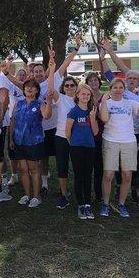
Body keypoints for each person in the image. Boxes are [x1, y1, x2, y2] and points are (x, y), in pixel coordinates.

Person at [2, 38, 82, 194]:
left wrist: (76, 48)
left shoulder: (55, 78)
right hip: (39, 128)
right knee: (43, 156)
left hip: (55, 126)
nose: (38, 73)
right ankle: (44, 182)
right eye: (35, 71)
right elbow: (16, 82)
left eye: (40, 71)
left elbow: (66, 62)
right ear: (32, 73)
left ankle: (60, 184)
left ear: (45, 71)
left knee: (60, 157)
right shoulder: (31, 87)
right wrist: (5, 72)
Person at [99, 79, 139, 217]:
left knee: (127, 175)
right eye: (115, 87)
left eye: (121, 87)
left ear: (124, 89)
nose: (118, 89)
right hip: (110, 140)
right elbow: (104, 118)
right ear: (110, 89)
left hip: (129, 141)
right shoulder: (107, 103)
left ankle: (121, 204)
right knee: (108, 175)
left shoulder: (130, 103)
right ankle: (105, 203)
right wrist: (103, 101)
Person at [9, 78, 53, 208]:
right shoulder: (18, 103)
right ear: (23, 89)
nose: (29, 88)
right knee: (23, 169)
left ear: (37, 91)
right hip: (18, 141)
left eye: (33, 87)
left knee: (34, 169)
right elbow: (13, 121)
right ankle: (27, 195)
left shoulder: (40, 104)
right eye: (27, 86)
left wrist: (49, 102)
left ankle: (36, 196)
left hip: (34, 142)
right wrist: (11, 138)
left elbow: (47, 116)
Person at [66, 84, 99, 219]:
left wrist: (92, 118)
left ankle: (87, 204)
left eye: (88, 94)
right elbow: (67, 132)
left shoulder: (92, 111)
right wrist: (73, 144)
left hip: (90, 147)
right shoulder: (73, 111)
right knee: (79, 176)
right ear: (78, 95)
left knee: (87, 175)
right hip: (76, 147)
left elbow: (96, 132)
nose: (85, 96)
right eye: (83, 94)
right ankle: (80, 204)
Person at [48, 60, 78, 209]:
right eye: (67, 85)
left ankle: (80, 193)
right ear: (63, 88)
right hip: (61, 137)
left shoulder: (82, 100)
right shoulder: (60, 99)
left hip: (78, 139)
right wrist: (52, 70)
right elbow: (51, 88)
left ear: (76, 87)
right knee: (62, 167)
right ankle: (64, 195)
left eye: (72, 85)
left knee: (78, 167)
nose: (70, 87)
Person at [84, 71, 105, 203]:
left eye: (95, 80)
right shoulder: (84, 98)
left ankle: (99, 194)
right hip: (87, 135)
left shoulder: (105, 98)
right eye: (90, 80)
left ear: (99, 82)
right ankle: (86, 193)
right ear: (87, 84)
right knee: (87, 166)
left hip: (102, 135)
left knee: (99, 166)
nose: (93, 82)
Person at [7, 66, 28, 186]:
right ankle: (14, 175)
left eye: (24, 74)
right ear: (15, 76)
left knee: (25, 149)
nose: (22, 76)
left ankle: (26, 173)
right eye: (19, 74)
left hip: (26, 122)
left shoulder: (30, 88)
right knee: (12, 150)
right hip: (13, 120)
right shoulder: (11, 86)